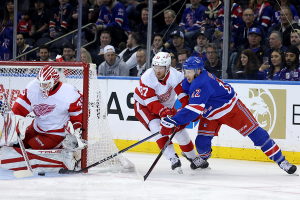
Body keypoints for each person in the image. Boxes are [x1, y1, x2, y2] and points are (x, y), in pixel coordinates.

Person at [160, 56, 297, 175]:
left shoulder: (202, 83)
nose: (186, 75)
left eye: (189, 72)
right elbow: (185, 92)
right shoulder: (191, 79)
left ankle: (282, 161)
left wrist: (175, 120)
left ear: (198, 71)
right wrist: (178, 115)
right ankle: (203, 157)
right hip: (211, 114)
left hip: (232, 110)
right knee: (201, 143)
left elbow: (192, 111)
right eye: (185, 71)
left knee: (259, 135)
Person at [133, 52, 202, 173]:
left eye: (160, 68)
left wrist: (185, 113)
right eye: (155, 67)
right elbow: (151, 104)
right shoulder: (146, 77)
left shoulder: (176, 76)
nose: (157, 71)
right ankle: (172, 158)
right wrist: (163, 111)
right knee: (156, 126)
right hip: (144, 107)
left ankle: (192, 157)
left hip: (166, 108)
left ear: (168, 67)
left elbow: (184, 98)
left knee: (179, 129)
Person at [11, 65, 83, 150]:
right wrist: (15, 127)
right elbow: (18, 110)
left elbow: (79, 117)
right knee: (16, 144)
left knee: (32, 149)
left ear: (54, 81)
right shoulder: (32, 87)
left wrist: (76, 133)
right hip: (36, 127)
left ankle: (60, 145)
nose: (42, 87)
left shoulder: (70, 92)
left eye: (45, 84)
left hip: (56, 134)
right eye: (40, 83)